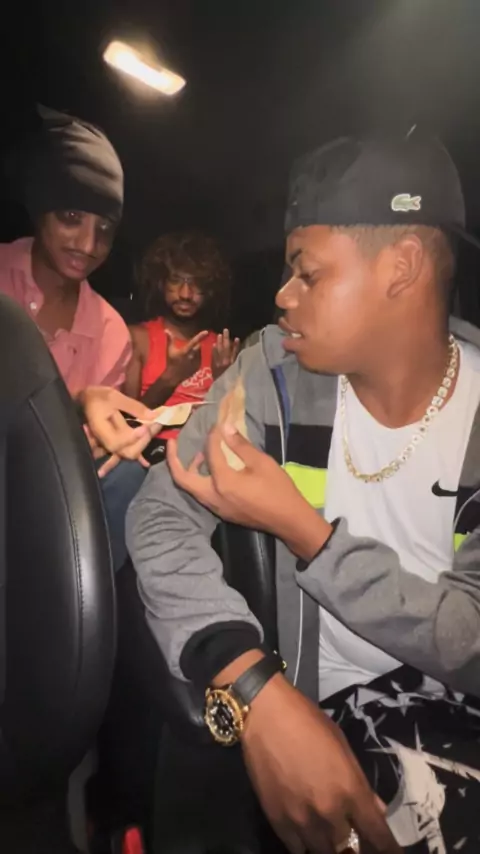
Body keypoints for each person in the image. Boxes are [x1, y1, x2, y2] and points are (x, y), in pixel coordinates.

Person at [127, 132, 480, 854]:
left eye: (307, 274)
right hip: (311, 704)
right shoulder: (272, 377)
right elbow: (161, 514)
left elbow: (469, 643)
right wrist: (249, 682)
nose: (282, 296)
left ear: (402, 267)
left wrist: (306, 533)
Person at [1, 105, 146, 569]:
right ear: (38, 209)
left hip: (53, 502)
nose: (87, 245)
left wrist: (110, 438)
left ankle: (82, 607)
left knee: (133, 475)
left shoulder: (111, 331)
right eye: (70, 216)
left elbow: (79, 463)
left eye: (104, 230)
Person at [125, 231, 240, 461]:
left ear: (210, 290)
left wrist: (223, 384)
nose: (186, 294)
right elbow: (127, 424)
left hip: (207, 454)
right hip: (151, 452)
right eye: (176, 280)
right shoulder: (138, 338)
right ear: (161, 283)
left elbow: (236, 426)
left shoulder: (221, 348)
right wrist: (170, 378)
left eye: (196, 284)